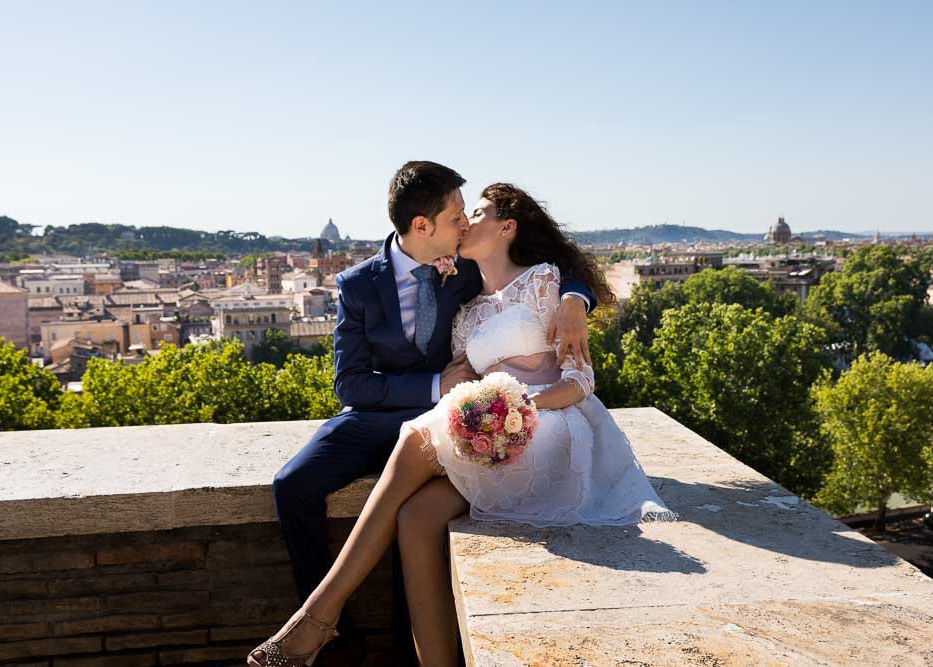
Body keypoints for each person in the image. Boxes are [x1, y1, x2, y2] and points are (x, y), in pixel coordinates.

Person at [250, 183, 674, 667]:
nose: (466, 222)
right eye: (459, 216)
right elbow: (450, 380)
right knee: (415, 517)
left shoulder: (545, 282)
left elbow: (580, 380)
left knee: (414, 438)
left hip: (549, 423)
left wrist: (517, 401)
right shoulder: (465, 301)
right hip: (493, 432)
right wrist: (484, 414)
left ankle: (316, 619)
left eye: (476, 212)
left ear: (508, 227)